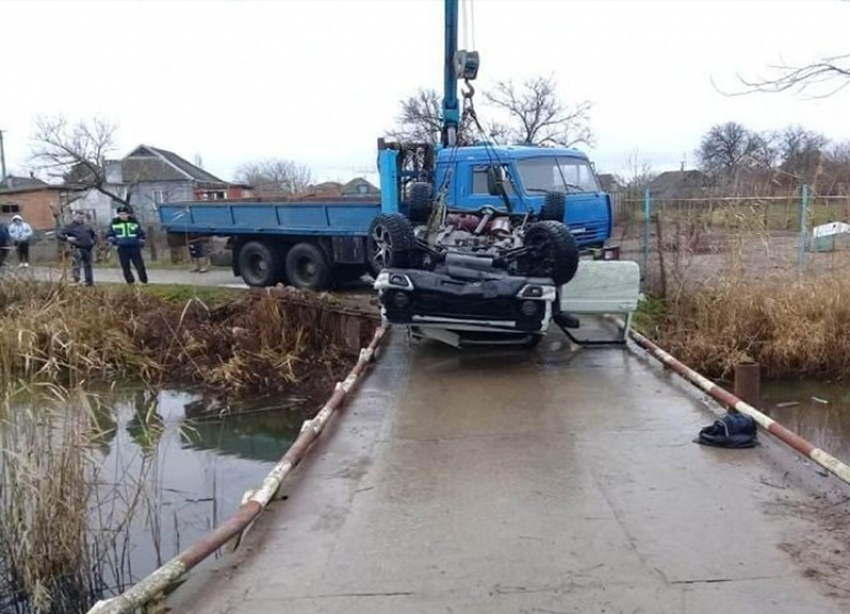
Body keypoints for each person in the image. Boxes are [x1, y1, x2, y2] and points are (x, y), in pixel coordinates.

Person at [106, 206, 148, 285]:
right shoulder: (114, 223)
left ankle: (143, 281)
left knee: (139, 264)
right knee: (125, 265)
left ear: (128, 214)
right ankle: (130, 281)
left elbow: (140, 233)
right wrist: (114, 241)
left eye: (124, 214)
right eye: (121, 214)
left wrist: (141, 241)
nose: (122, 216)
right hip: (122, 247)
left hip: (134, 246)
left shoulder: (134, 222)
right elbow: (109, 234)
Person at [58, 210, 97, 286]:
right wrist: (67, 238)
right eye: (78, 217)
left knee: (88, 265)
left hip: (88, 248)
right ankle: (77, 280)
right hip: (77, 248)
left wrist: (93, 242)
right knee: (77, 265)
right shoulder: (70, 227)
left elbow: (93, 234)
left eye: (82, 217)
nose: (80, 219)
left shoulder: (87, 226)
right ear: (74, 217)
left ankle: (89, 282)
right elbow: (59, 234)